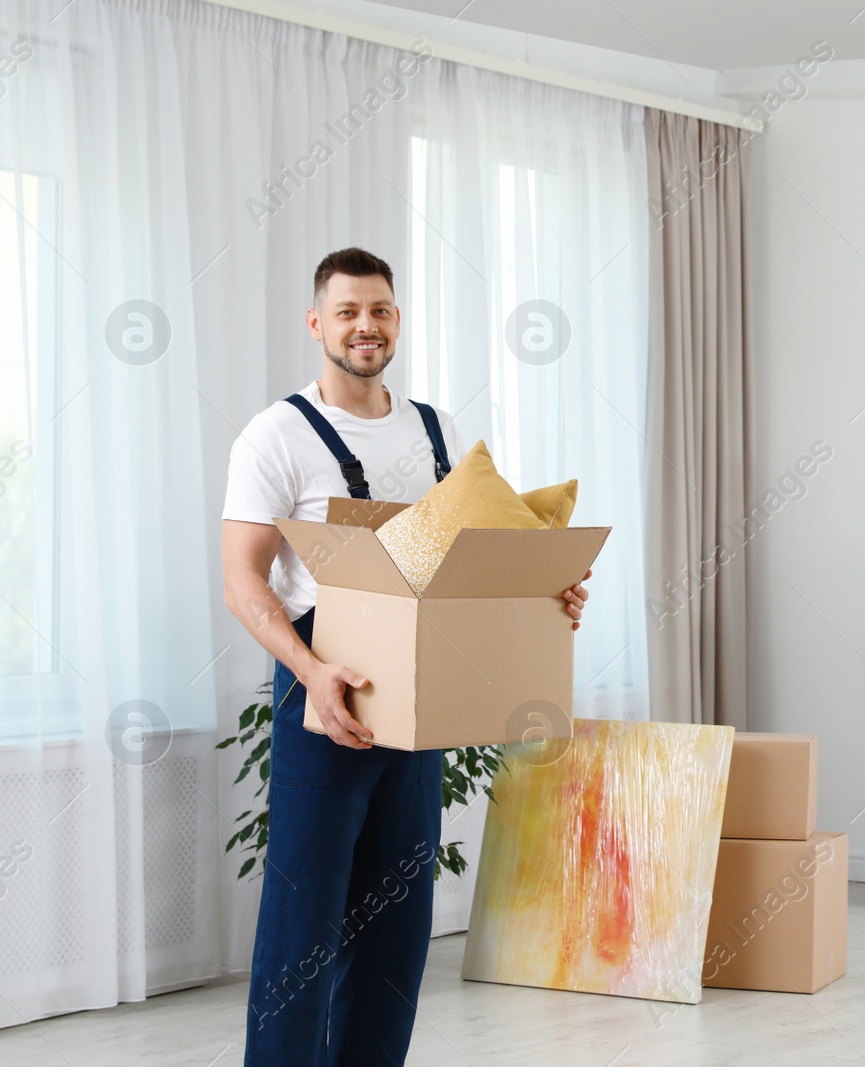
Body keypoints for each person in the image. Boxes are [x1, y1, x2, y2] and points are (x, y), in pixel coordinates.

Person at [221, 247, 590, 1064]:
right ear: (317, 323)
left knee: (396, 925)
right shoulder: (277, 433)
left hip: (420, 701)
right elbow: (242, 581)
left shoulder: (437, 430)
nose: (366, 326)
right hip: (324, 690)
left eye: (380, 310)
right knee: (303, 919)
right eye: (348, 311)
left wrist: (543, 591)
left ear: (397, 320)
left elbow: (472, 561)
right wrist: (311, 673)